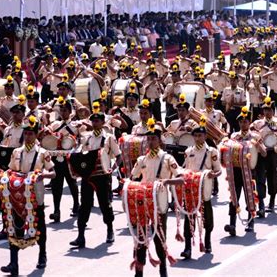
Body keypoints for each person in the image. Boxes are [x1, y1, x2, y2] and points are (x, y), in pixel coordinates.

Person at [0, 116, 56, 275]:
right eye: (26, 133)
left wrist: (42, 176)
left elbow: (53, 173)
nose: (28, 136)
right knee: (13, 225)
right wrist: (4, 175)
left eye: (31, 133)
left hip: (34, 195)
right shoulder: (16, 152)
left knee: (39, 225)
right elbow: (10, 170)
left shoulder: (42, 153)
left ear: (36, 135)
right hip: (17, 195)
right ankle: (13, 263)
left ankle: (42, 254)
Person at [130, 119, 183, 277]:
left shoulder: (167, 158)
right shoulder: (142, 160)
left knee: (159, 237)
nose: (150, 141)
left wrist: (167, 181)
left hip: (160, 204)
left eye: (153, 138)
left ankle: (163, 269)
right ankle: (139, 272)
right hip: (144, 202)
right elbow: (132, 179)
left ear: (160, 140)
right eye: (149, 138)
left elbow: (180, 179)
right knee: (141, 237)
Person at [70, 105, 122, 248]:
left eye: (98, 121)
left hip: (102, 175)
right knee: (85, 205)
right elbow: (82, 154)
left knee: (105, 204)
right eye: (93, 121)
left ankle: (110, 230)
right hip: (88, 176)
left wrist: (112, 168)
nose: (95, 123)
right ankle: (81, 236)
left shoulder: (109, 138)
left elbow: (119, 156)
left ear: (103, 122)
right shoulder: (87, 137)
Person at [180, 116, 221, 259]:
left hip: (205, 187)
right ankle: (187, 247)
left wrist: (211, 175)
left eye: (200, 135)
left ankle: (208, 239)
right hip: (191, 187)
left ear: (205, 136)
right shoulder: (188, 151)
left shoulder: (212, 152)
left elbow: (219, 170)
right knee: (188, 216)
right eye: (196, 135)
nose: (198, 138)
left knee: (207, 215)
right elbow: (185, 168)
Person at [224, 107, 266, 236]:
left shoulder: (255, 136)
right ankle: (232, 224)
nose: (243, 124)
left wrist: (258, 145)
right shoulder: (234, 136)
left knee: (250, 196)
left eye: (246, 121)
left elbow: (264, 153)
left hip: (249, 171)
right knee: (234, 197)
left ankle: (250, 222)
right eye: (241, 122)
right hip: (236, 171)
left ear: (249, 122)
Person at [46, 99, 83, 222]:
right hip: (57, 157)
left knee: (72, 182)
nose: (63, 112)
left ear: (70, 111)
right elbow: (47, 133)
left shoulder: (75, 125)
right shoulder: (55, 124)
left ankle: (76, 205)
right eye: (61, 110)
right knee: (56, 185)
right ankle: (56, 211)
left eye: (65, 110)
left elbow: (82, 139)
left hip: (70, 158)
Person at [251, 97, 277, 214]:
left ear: (273, 111)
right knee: (260, 178)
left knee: (273, 176)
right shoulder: (258, 123)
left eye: (269, 110)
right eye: (265, 110)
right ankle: (262, 205)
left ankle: (272, 202)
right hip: (261, 153)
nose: (267, 112)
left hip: (272, 152)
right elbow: (250, 132)